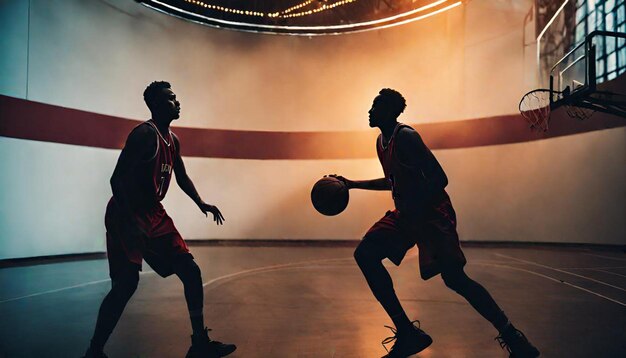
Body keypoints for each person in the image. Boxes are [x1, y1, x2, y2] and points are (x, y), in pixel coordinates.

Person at [330, 88, 540, 358]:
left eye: (375, 106)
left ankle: (514, 338)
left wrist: (415, 206)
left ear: (389, 111)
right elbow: (394, 182)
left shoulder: (406, 137)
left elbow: (440, 178)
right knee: (365, 254)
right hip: (408, 213)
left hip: (431, 214)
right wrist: (352, 184)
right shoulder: (382, 141)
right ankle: (407, 333)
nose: (369, 111)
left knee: (455, 279)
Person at [83, 81, 235, 358]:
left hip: (154, 213)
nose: (177, 103)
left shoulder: (173, 140)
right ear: (154, 105)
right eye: (170, 99)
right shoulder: (143, 135)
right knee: (126, 285)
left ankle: (199, 342)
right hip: (125, 212)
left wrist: (201, 203)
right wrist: (130, 222)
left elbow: (182, 176)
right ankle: (94, 351)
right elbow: (116, 179)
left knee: (191, 271)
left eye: (176, 98)